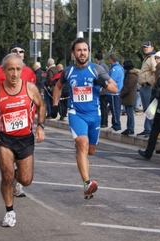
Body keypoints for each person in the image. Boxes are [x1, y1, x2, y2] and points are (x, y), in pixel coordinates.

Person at [0, 54, 46, 227]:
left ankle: (13, 179)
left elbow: (41, 105)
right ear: (4, 71)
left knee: (26, 180)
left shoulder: (30, 89)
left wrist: (40, 126)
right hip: (5, 139)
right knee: (7, 174)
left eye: (18, 69)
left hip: (25, 139)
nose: (15, 74)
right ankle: (9, 211)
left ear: (22, 70)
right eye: (10, 69)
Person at [51, 38, 117, 199]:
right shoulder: (68, 71)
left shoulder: (97, 70)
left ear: (88, 52)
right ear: (74, 53)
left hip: (94, 115)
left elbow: (115, 88)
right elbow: (58, 87)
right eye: (79, 50)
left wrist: (102, 82)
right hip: (76, 114)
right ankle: (87, 183)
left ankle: (82, 158)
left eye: (85, 50)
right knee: (82, 144)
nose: (82, 53)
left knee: (90, 151)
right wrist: (55, 105)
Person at [0, 43, 36, 197]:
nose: (18, 53)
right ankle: (8, 173)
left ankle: (17, 179)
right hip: (5, 119)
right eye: (15, 51)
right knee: (6, 166)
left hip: (23, 123)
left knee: (24, 172)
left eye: (21, 51)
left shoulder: (29, 73)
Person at [137, 41, 157, 138]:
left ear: (152, 48)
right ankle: (147, 129)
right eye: (144, 47)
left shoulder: (152, 58)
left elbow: (155, 72)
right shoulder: (147, 58)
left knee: (149, 110)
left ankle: (150, 130)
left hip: (148, 87)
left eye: (147, 47)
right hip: (144, 87)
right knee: (146, 109)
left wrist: (148, 82)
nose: (145, 48)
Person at [119, 59, 138, 136]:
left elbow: (128, 87)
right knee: (129, 113)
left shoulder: (132, 76)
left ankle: (131, 128)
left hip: (130, 98)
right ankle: (129, 128)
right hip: (128, 98)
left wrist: (121, 94)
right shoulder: (128, 74)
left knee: (130, 114)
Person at [107, 53, 124, 132]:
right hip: (118, 92)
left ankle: (116, 125)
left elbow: (111, 80)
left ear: (111, 59)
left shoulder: (114, 69)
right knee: (116, 109)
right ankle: (115, 124)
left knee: (114, 109)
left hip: (114, 92)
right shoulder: (120, 68)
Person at [94, 53, 110, 128]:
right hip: (105, 89)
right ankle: (105, 122)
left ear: (97, 59)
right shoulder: (106, 66)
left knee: (102, 107)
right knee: (104, 107)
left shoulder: (99, 67)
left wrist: (100, 87)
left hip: (102, 90)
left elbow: (100, 78)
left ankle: (103, 122)